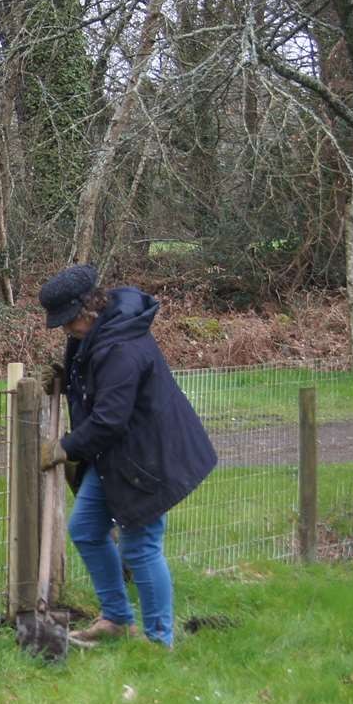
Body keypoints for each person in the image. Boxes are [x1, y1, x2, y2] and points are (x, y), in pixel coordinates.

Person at [37, 264, 216, 648]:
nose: (65, 330)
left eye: (68, 321)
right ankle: (116, 618)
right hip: (116, 457)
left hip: (146, 458)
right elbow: (89, 382)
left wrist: (63, 449)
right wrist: (65, 381)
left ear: (87, 309)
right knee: (85, 529)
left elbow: (108, 419)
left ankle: (157, 641)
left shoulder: (123, 347)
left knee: (141, 545)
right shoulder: (96, 333)